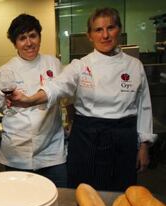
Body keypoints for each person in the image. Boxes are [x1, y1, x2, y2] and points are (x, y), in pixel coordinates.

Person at [8, 8, 157, 191]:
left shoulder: (135, 66)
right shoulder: (80, 65)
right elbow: (58, 86)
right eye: (98, 30)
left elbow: (144, 107)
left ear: (119, 29)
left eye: (110, 28)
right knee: (83, 193)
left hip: (123, 138)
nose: (105, 35)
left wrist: (144, 146)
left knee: (122, 193)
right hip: (87, 138)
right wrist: (31, 99)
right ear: (89, 35)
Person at [0, 14, 67, 187]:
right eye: (22, 38)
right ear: (15, 43)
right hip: (17, 156)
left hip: (52, 153)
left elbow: (66, 95)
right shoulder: (5, 71)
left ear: (40, 37)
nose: (29, 43)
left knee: (57, 204)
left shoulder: (53, 64)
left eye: (33, 35)